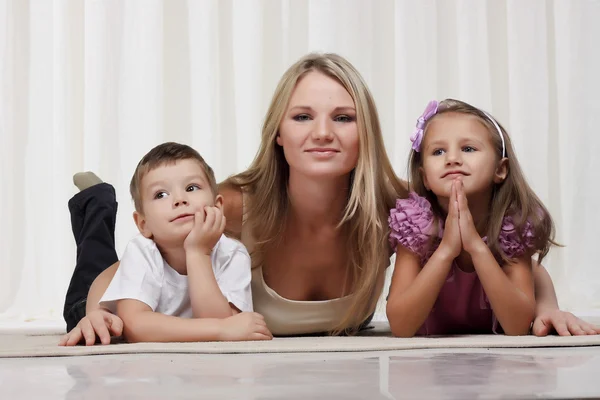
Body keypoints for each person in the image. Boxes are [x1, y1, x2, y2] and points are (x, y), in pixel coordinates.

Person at [60, 53, 598, 346]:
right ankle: (96, 204)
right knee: (98, 253)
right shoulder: (235, 205)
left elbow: (489, 246)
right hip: (122, 279)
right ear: (278, 134)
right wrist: (91, 314)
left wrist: (545, 307)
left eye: (342, 117)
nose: (323, 132)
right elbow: (139, 262)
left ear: (365, 131)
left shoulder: (399, 208)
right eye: (303, 117)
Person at [385, 99, 600, 337]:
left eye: (468, 148)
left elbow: (517, 327)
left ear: (501, 169)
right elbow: (400, 327)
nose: (452, 158)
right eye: (438, 151)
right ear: (425, 178)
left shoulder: (513, 228)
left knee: (533, 270)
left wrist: (476, 246)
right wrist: (446, 250)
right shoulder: (415, 225)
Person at [60, 142, 271, 344]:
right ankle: (97, 200)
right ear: (143, 224)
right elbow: (135, 326)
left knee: (109, 263)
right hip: (99, 303)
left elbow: (223, 322)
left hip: (123, 277)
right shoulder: (142, 249)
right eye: (161, 194)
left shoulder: (233, 254)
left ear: (218, 206)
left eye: (191, 188)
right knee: (94, 256)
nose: (179, 199)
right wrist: (97, 312)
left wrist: (198, 253)